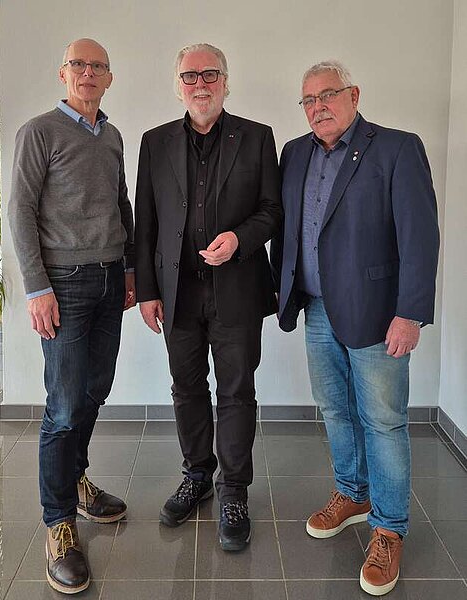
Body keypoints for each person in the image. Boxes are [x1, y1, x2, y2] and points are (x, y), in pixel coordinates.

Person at [270, 60, 439, 595]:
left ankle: (388, 529)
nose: (318, 106)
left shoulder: (397, 148)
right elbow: (288, 228)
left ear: (354, 95)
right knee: (334, 409)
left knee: (383, 422)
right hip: (317, 309)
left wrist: (410, 312)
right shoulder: (294, 153)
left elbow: (420, 236)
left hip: (378, 313)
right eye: (308, 99)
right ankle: (352, 492)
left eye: (328, 95)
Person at [135, 43, 281, 552]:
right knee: (186, 388)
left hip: (237, 289)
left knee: (236, 390)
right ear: (178, 86)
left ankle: (234, 490)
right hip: (177, 292)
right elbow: (146, 223)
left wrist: (240, 238)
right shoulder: (154, 142)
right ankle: (197, 474)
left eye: (210, 74)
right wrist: (147, 291)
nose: (201, 84)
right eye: (190, 76)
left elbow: (272, 210)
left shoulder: (258, 137)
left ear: (225, 81)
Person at [8, 38, 135, 595]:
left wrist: (130, 269)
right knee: (62, 405)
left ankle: (76, 479)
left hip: (109, 280)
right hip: (63, 284)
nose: (87, 72)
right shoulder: (39, 132)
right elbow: (20, 210)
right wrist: (37, 287)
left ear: (109, 78)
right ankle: (58, 522)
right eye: (78, 64)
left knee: (94, 390)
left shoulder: (112, 136)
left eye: (97, 66)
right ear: (63, 73)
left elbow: (121, 205)